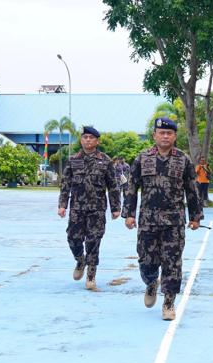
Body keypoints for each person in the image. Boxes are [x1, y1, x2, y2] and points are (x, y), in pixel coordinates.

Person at [123, 117, 203, 321]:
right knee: (146, 260)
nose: (165, 136)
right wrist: (129, 214)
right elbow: (132, 187)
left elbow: (192, 190)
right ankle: (151, 282)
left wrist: (195, 216)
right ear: (155, 135)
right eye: (161, 132)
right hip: (148, 221)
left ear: (175, 136)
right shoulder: (142, 158)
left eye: (169, 133)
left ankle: (168, 302)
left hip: (173, 223)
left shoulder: (183, 160)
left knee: (172, 263)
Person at [57, 126, 121, 291]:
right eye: (85, 137)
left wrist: (115, 207)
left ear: (97, 141)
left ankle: (91, 276)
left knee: (93, 242)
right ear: (81, 140)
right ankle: (80, 260)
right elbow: (65, 184)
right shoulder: (73, 160)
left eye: (91, 138)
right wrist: (62, 205)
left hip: (97, 210)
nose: (88, 140)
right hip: (77, 209)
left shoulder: (105, 161)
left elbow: (113, 186)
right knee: (73, 238)